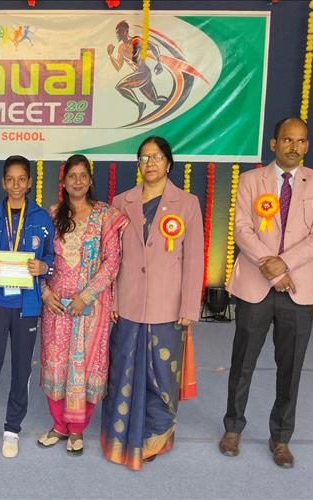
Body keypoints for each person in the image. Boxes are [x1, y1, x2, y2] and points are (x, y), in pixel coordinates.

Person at [220, 117, 313, 468]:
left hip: (299, 287)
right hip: (255, 285)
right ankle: (233, 428)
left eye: (301, 141)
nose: (295, 147)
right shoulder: (251, 181)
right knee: (243, 362)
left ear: (306, 145)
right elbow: (242, 228)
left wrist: (283, 265)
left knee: (291, 367)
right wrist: (270, 268)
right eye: (287, 140)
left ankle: (281, 437)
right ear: (274, 143)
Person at [101, 136, 203, 470]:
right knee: (123, 373)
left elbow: (194, 261)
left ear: (168, 163)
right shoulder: (121, 201)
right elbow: (112, 257)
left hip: (167, 306)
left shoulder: (187, 203)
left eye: (156, 157)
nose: (150, 163)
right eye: (144, 158)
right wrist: (112, 298)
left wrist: (189, 307)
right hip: (128, 304)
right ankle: (121, 437)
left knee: (162, 376)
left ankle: (155, 435)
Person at [0, 155, 55, 460]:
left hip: (26, 306)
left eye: (22, 179)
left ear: (29, 183)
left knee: (21, 370)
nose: (16, 185)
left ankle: (12, 429)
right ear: (3, 183)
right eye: (10, 179)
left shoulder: (41, 219)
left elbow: (51, 258)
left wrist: (44, 266)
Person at [38, 154, 127, 456]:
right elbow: (38, 258)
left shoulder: (106, 216)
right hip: (56, 306)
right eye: (71, 176)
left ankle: (77, 428)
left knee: (85, 365)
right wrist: (45, 293)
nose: (77, 181)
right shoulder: (51, 215)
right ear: (63, 182)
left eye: (82, 176)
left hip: (91, 307)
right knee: (56, 362)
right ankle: (59, 425)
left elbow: (112, 262)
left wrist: (85, 296)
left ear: (90, 180)